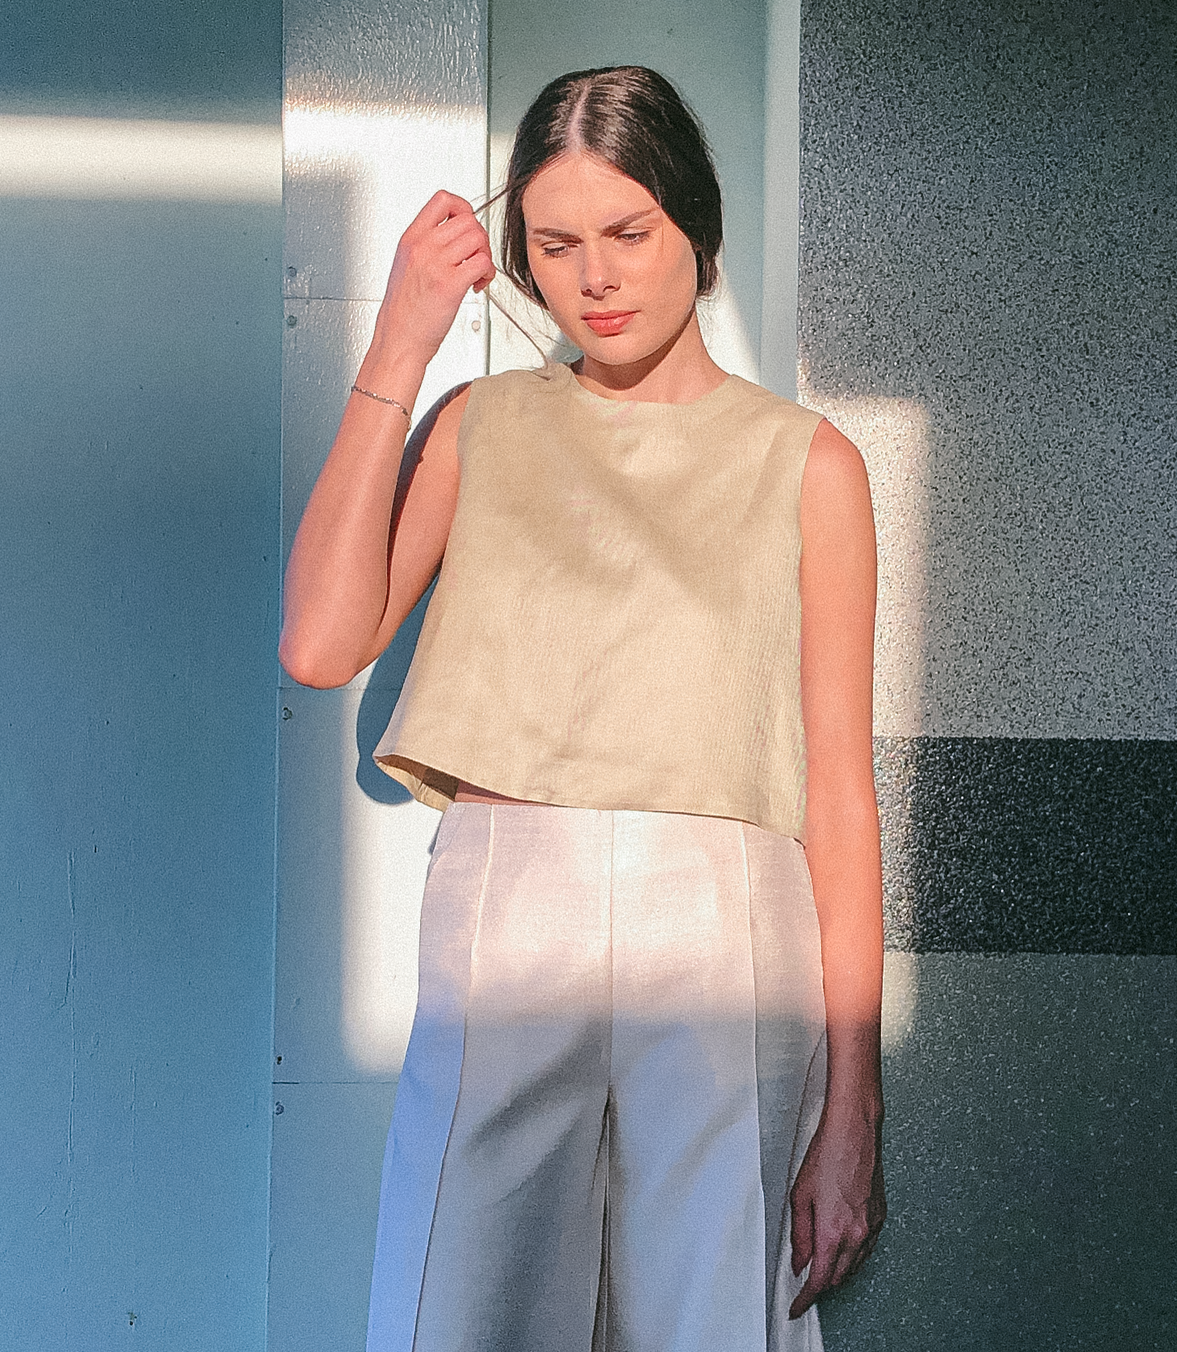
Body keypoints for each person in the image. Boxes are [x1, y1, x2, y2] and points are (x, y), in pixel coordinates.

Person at [280, 65, 884, 1352]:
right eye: (554, 245)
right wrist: (399, 342)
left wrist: (853, 1112)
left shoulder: (807, 463)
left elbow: (838, 794)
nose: (594, 278)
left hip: (725, 922)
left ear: (695, 228)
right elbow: (321, 644)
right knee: (461, 1310)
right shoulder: (481, 424)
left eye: (628, 232)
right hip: (509, 904)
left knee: (714, 1315)